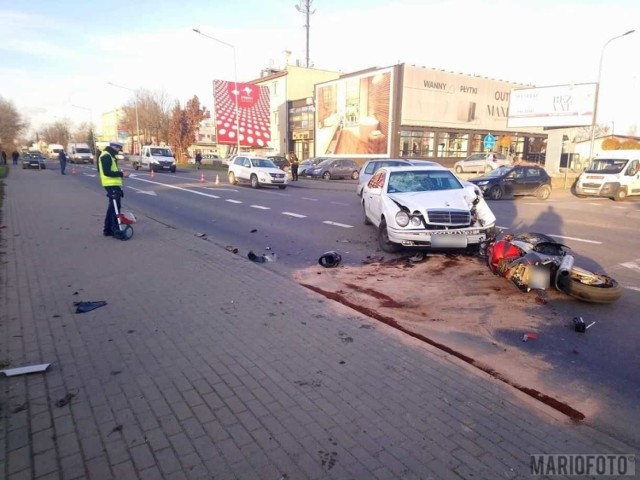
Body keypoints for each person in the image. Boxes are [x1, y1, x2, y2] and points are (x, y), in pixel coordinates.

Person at [99, 141, 129, 237]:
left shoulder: (109, 155)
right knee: (115, 208)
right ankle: (115, 230)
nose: (119, 151)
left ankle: (108, 229)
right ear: (114, 147)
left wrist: (120, 173)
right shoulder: (106, 156)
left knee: (112, 207)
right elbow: (107, 172)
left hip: (113, 184)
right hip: (110, 184)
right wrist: (121, 174)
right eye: (118, 149)